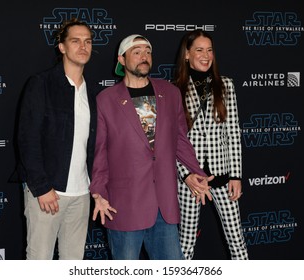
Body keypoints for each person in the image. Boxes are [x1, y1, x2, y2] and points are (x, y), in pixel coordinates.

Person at [89, 34, 213, 260]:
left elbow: (181, 141)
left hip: (163, 206)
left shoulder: (171, 93)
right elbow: (100, 152)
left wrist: (196, 171)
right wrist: (98, 191)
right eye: (136, 52)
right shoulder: (105, 99)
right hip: (124, 206)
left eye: (147, 51)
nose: (144, 57)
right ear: (122, 60)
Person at [16, 19, 97, 260]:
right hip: (48, 192)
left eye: (88, 41)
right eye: (75, 41)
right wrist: (41, 187)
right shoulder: (41, 84)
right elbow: (27, 139)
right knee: (39, 260)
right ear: (62, 47)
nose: (83, 46)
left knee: (73, 263)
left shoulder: (91, 93)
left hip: (81, 194)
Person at [173, 30, 249, 260]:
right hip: (190, 181)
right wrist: (186, 174)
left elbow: (233, 132)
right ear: (187, 54)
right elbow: (171, 140)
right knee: (185, 243)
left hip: (222, 177)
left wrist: (236, 175)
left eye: (209, 50)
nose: (205, 55)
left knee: (236, 239)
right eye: (199, 49)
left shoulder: (226, 85)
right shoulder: (174, 89)